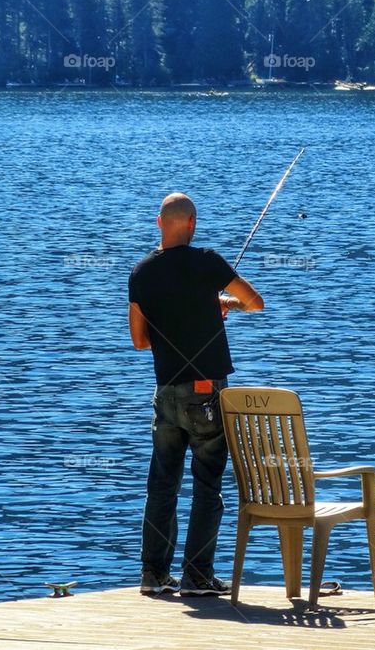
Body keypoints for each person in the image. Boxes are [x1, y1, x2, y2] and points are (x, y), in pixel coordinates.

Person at [129, 192, 264, 596]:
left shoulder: (140, 273)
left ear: (159, 223)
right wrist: (223, 304)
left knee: (162, 484)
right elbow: (255, 303)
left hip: (166, 392)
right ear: (192, 223)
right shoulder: (208, 261)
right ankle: (198, 576)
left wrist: (195, 313)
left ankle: (153, 575)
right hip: (207, 392)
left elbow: (139, 341)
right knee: (207, 485)